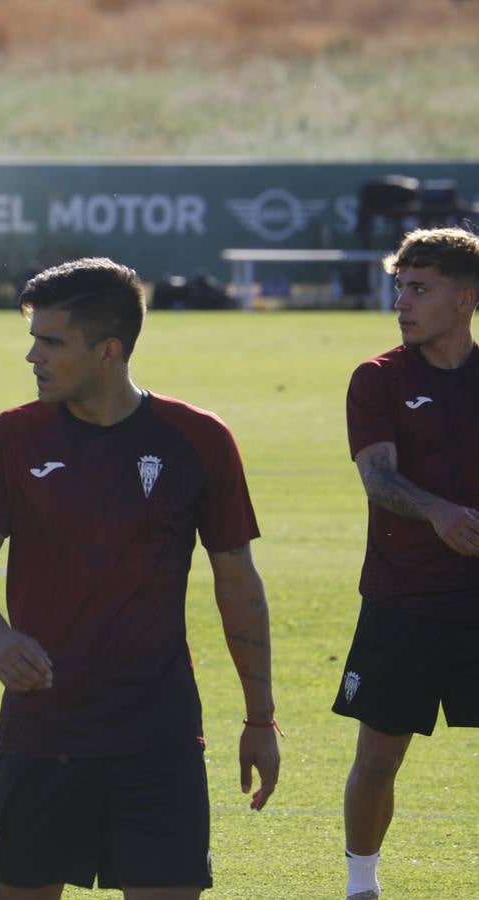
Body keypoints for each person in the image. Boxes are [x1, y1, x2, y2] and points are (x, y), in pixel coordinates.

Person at [0, 257, 280, 899]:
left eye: (51, 342)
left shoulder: (198, 440)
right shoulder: (12, 438)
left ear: (108, 351)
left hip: (156, 734)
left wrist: (260, 718)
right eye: (32, 339)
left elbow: (237, 582)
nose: (33, 357)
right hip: (42, 729)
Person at [332, 226, 479, 900]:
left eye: (420, 289)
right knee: (379, 756)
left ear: (464, 299)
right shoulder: (378, 379)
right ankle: (361, 884)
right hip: (403, 599)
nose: (403, 302)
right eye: (400, 288)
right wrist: (440, 512)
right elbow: (378, 479)